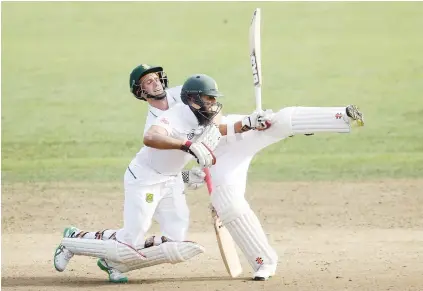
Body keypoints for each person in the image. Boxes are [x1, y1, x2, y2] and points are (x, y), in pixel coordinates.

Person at [53, 67, 270, 283]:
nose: (155, 83)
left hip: (170, 180)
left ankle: (114, 262)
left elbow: (214, 116)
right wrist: (190, 146)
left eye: (156, 79)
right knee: (131, 239)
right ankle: (73, 239)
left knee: (174, 241)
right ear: (140, 91)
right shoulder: (162, 119)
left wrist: (248, 124)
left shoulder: (182, 94)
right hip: (146, 180)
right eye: (148, 82)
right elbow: (151, 138)